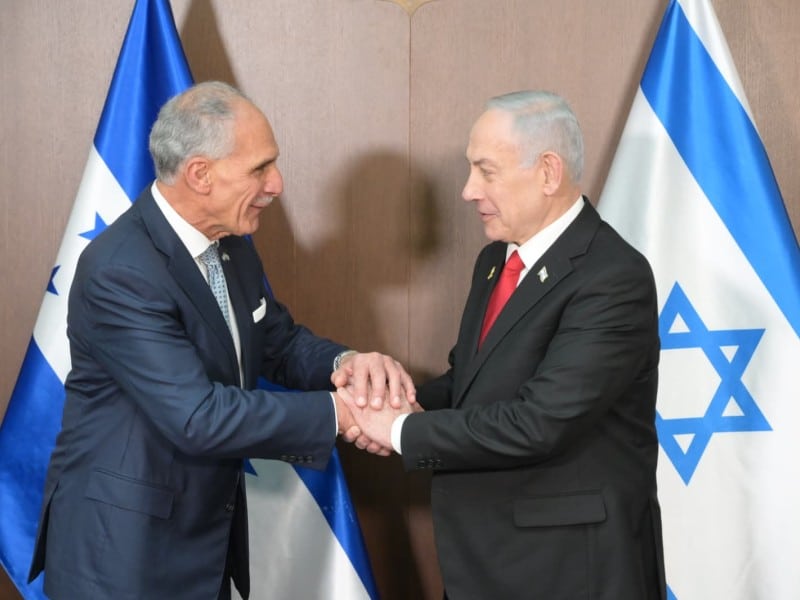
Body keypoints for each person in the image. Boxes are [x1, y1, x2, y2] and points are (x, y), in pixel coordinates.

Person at [27, 81, 413, 600]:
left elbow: (277, 342)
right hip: (121, 556)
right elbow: (197, 417)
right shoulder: (121, 271)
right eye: (260, 168)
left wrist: (348, 364)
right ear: (199, 174)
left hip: (201, 539)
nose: (276, 184)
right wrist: (342, 416)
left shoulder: (231, 245)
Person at [341, 90, 667, 599]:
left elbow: (539, 423)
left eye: (486, 171)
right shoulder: (496, 261)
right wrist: (391, 402)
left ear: (548, 173)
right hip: (486, 562)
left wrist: (402, 430)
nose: (469, 191)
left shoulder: (613, 277)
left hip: (569, 573)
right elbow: (471, 383)